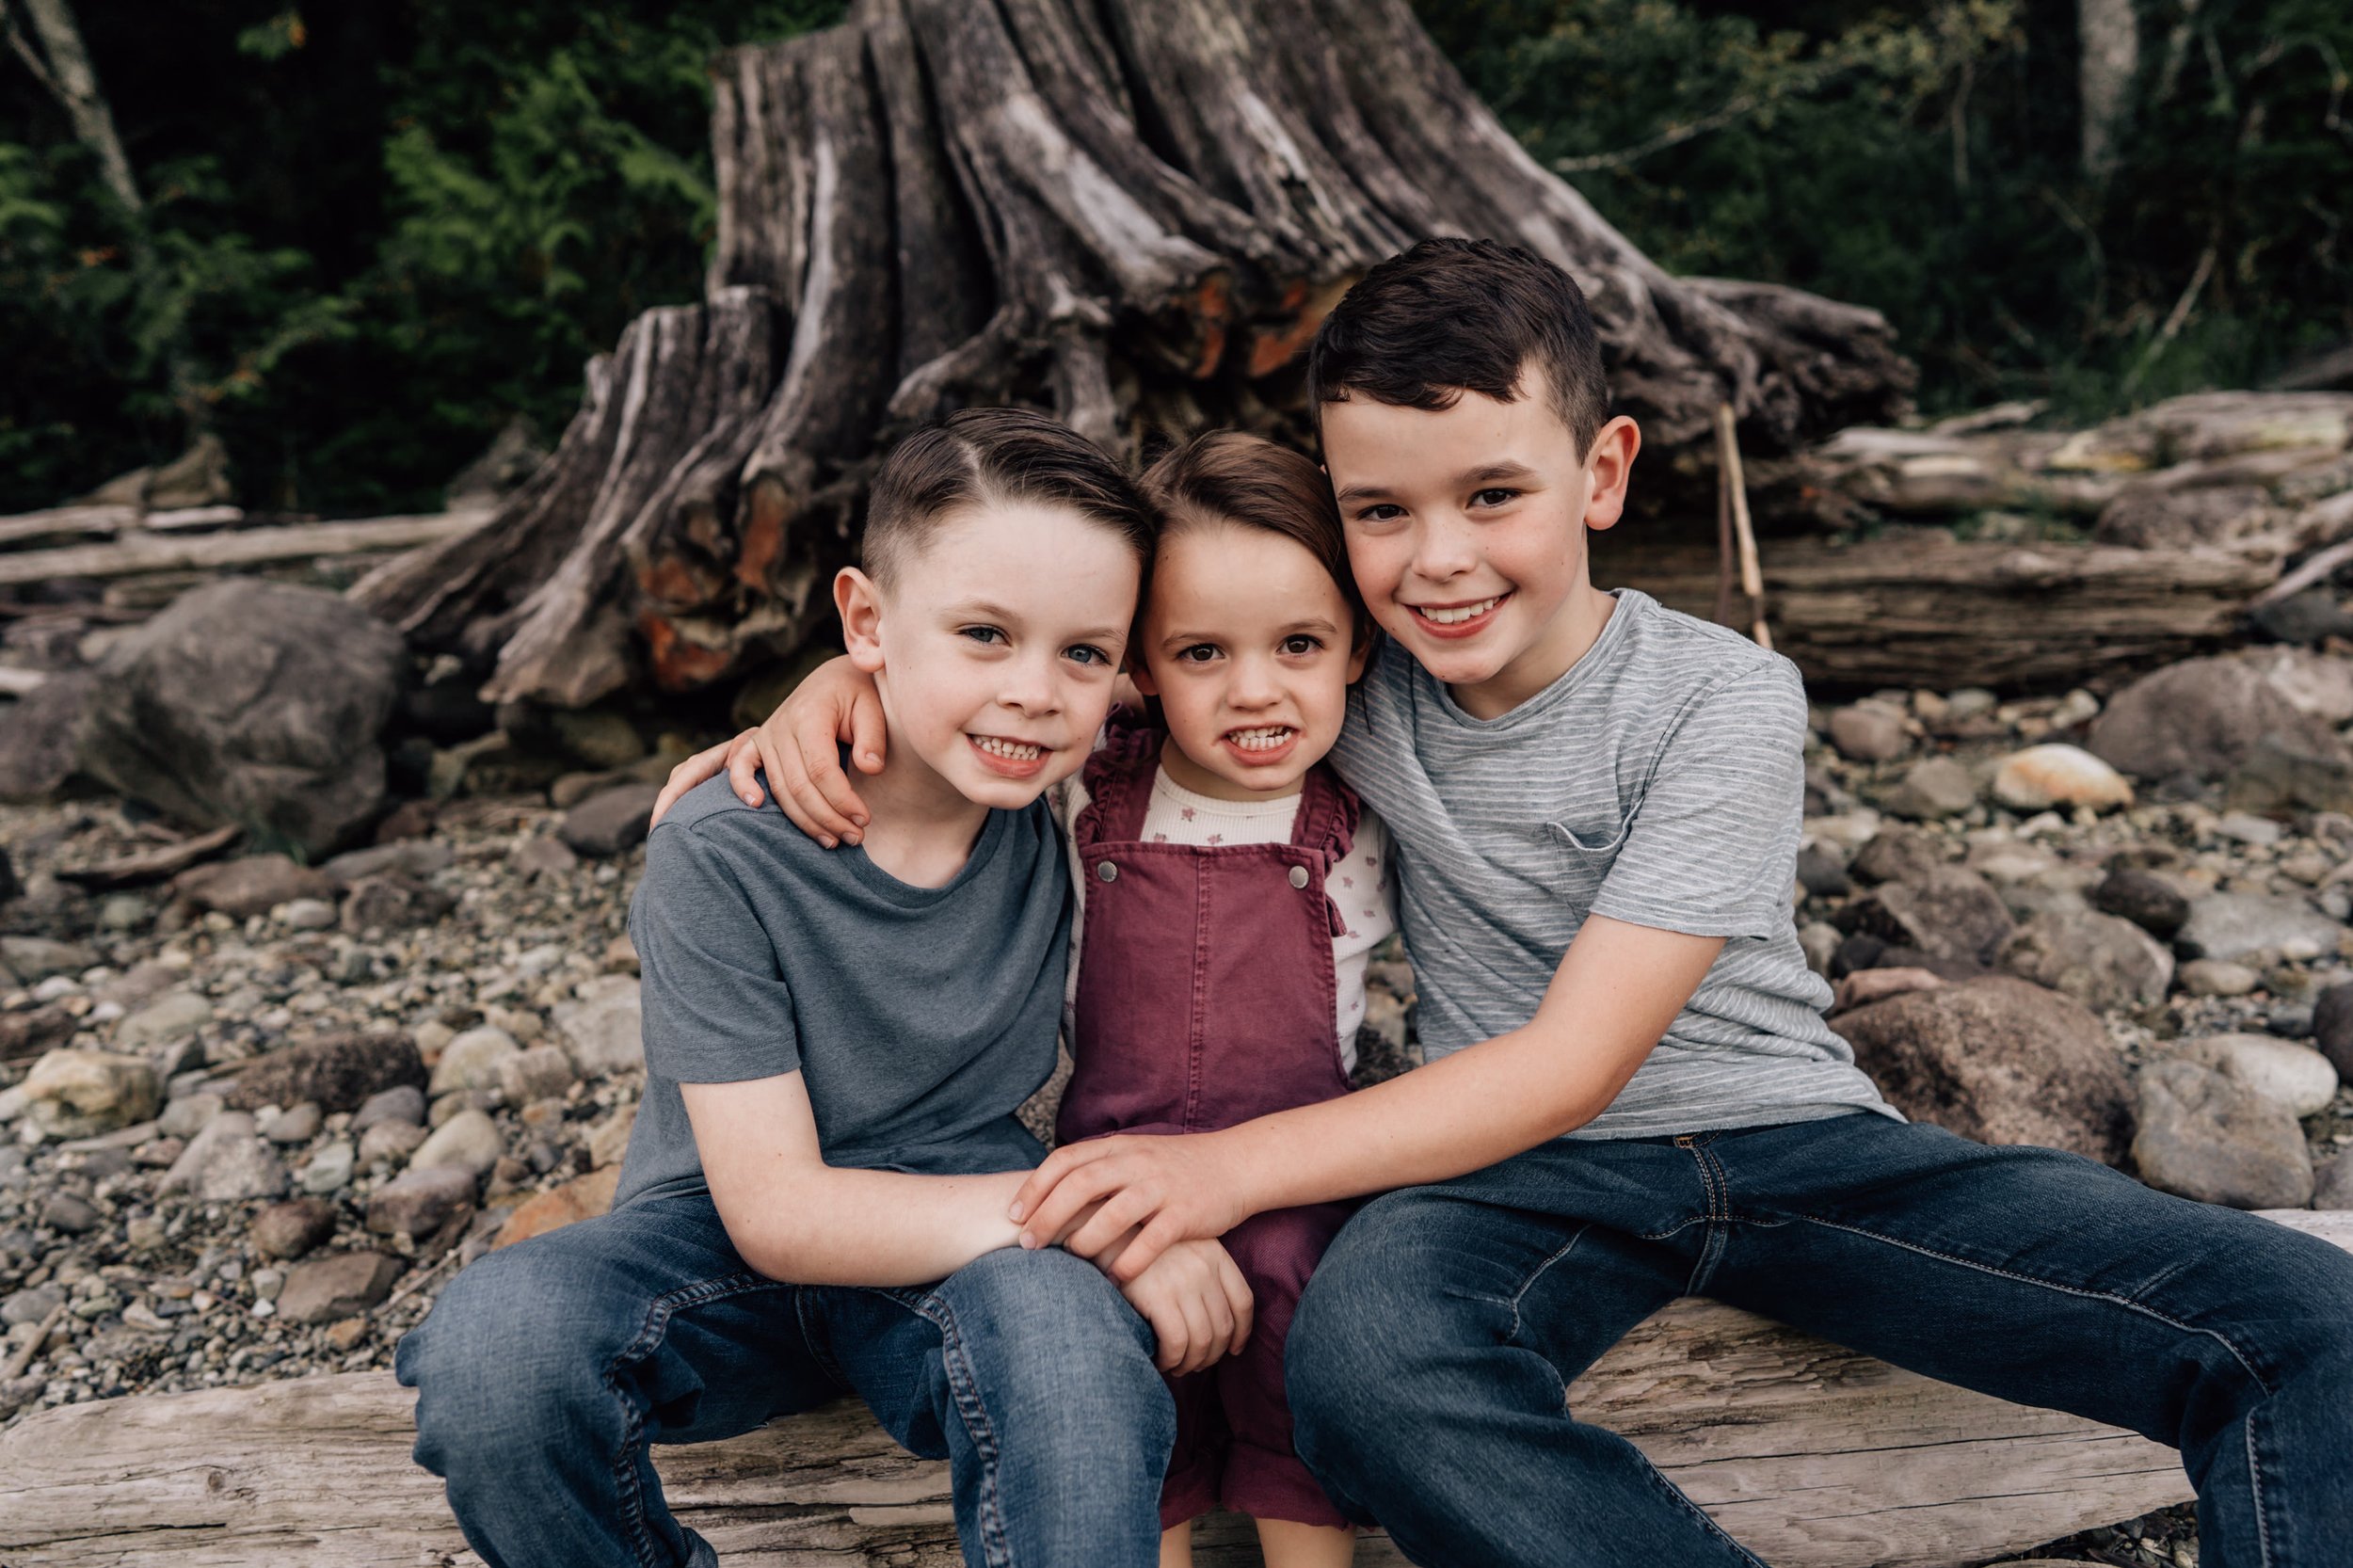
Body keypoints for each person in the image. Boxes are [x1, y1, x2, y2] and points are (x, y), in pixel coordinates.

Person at [673, 239, 2353, 1567]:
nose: (1439, 561)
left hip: (1792, 1141)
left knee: (2298, 1318)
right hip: (1510, 1187)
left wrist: (1215, 1172)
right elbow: (1038, 682)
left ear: (1603, 472)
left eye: (1494, 496)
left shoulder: (1723, 698)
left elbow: (1578, 1063)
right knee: (1368, 1366)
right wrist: (833, 692)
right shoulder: (1337, 682)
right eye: (1382, 514)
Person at [395, 408, 1259, 1568]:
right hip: (717, 1247)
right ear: (865, 618)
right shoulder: (723, 849)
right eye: (983, 634)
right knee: (497, 1346)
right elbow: (778, 1214)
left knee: (1070, 1355)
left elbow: (1291, 665)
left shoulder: (1080, 791)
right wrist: (1111, 1232)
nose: (1036, 692)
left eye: (1085, 652)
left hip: (966, 1223)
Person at [1055, 432, 1395, 1567]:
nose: (1256, 689)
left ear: (1356, 645)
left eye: (1299, 642)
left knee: (1298, 1358)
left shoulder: (1363, 815)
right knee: (1117, 1391)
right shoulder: (1085, 781)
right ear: (1137, 668)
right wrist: (823, 687)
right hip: (1110, 1179)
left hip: (1293, 1173)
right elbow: (938, 694)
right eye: (1201, 651)